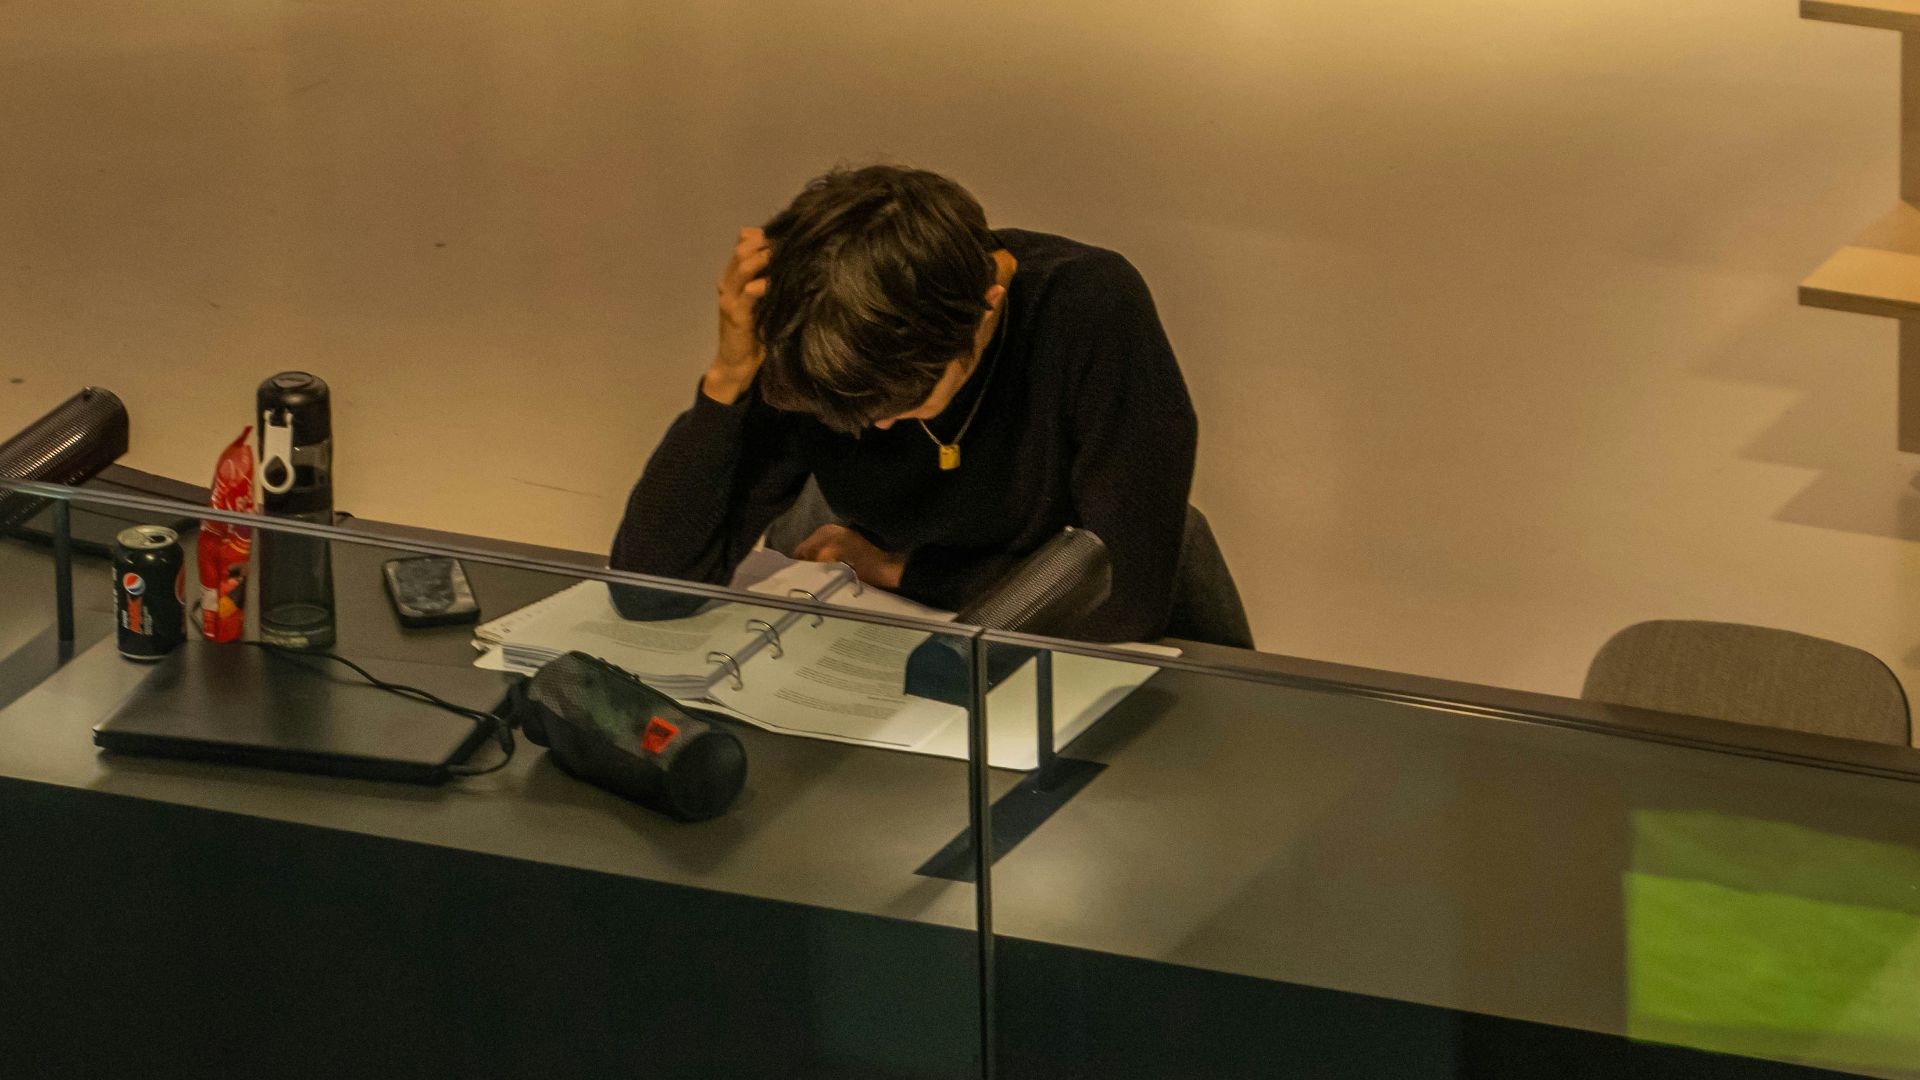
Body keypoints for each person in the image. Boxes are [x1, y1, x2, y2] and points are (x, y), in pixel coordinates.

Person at [611, 165, 1197, 643]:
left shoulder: (1088, 307)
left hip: (1107, 659)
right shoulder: (824, 336)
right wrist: (730, 376)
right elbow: (650, 591)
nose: (878, 426)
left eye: (904, 403)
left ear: (986, 307)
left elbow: (1118, 595)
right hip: (911, 638)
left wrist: (898, 570)